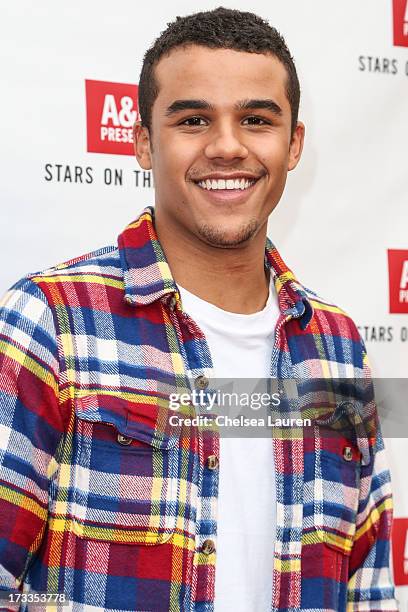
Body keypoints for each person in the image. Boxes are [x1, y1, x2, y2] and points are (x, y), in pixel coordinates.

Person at [0, 7, 396, 612]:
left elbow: (367, 586)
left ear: (294, 145)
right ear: (141, 142)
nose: (227, 146)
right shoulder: (52, 320)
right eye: (193, 120)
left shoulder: (337, 344)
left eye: (256, 119)